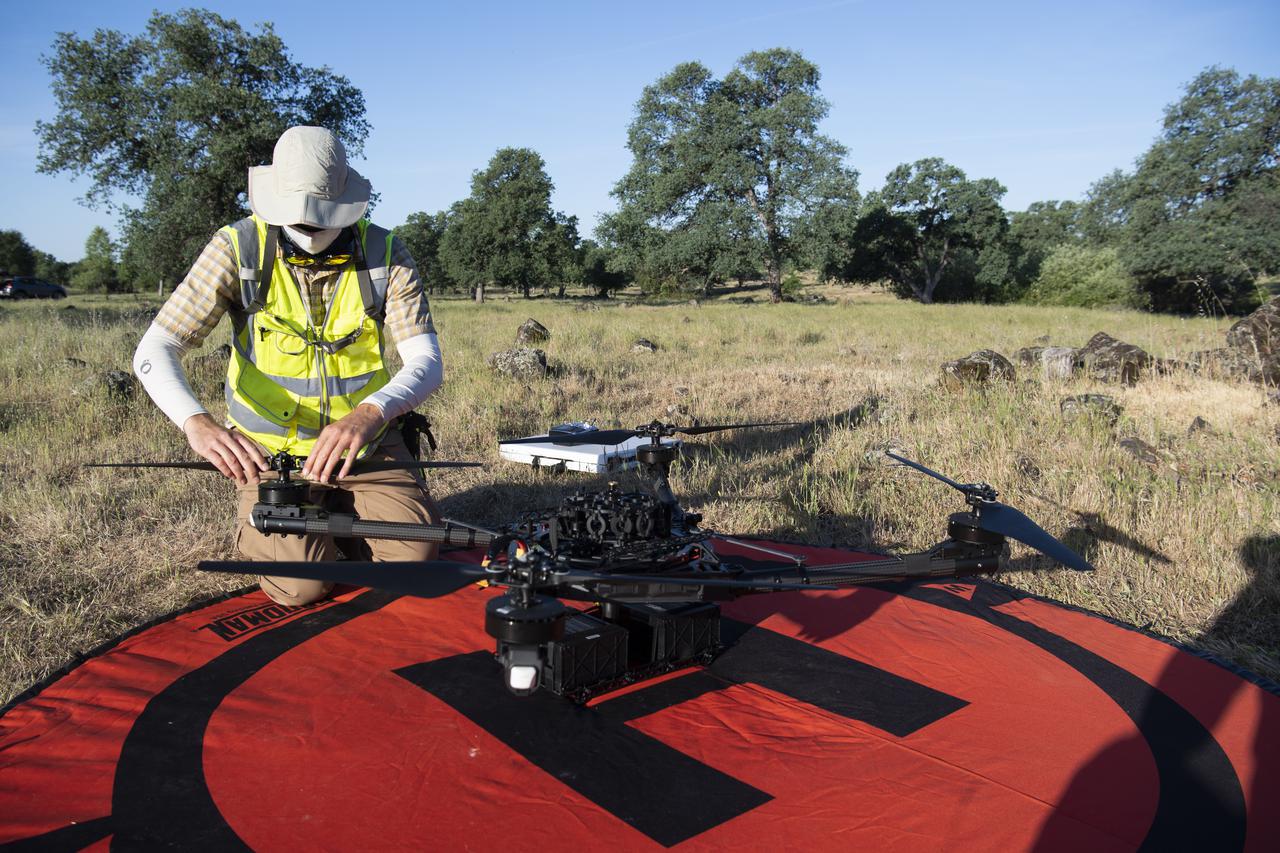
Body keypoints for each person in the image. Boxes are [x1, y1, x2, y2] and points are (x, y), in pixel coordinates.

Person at [133, 125, 444, 606]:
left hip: (367, 447)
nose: (308, 229)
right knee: (301, 587)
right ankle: (288, 527)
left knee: (416, 559)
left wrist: (370, 414)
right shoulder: (236, 248)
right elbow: (156, 349)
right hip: (271, 460)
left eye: (321, 219)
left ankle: (345, 516)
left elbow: (426, 361)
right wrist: (197, 424)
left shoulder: (386, 252)